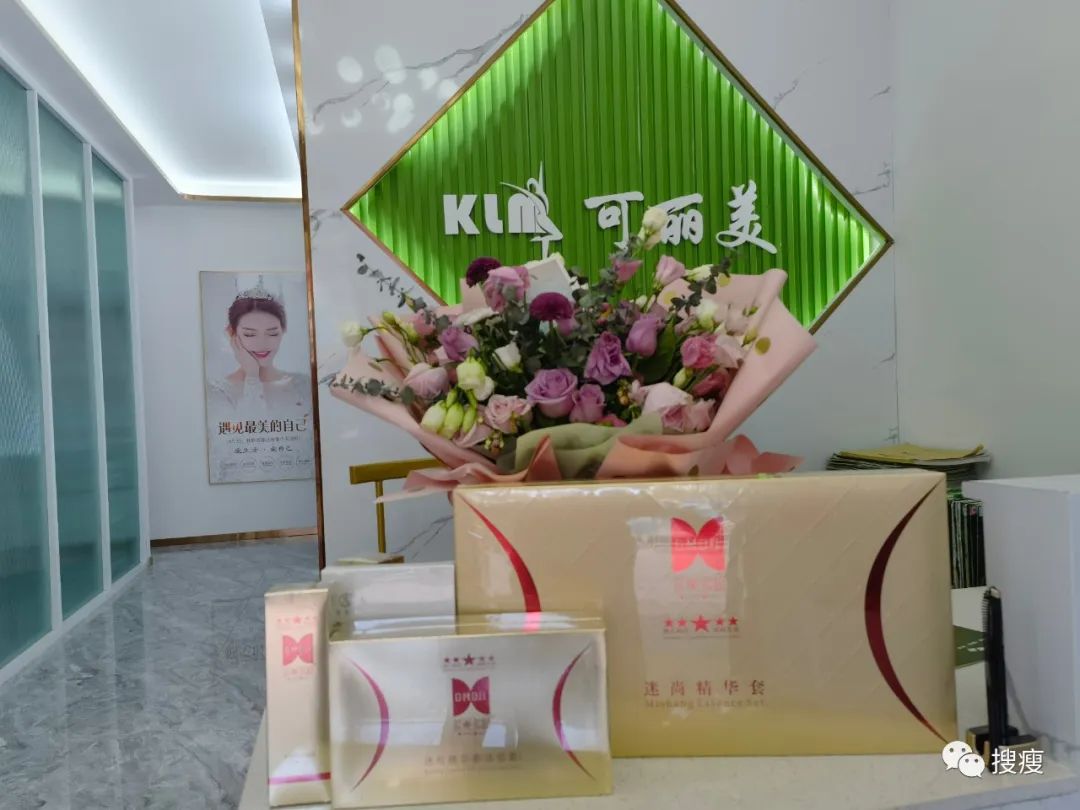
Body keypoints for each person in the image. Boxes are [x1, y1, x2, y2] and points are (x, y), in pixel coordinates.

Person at [207, 286, 310, 416]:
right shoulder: (219, 392)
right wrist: (252, 376)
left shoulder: (302, 385)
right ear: (232, 333)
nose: (262, 343)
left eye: (272, 334)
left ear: (283, 331)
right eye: (250, 334)